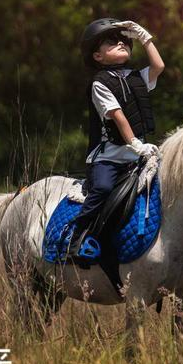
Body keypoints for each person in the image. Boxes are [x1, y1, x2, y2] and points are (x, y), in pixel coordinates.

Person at [67, 18, 165, 264]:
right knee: (102, 189)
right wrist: (135, 143)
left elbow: (159, 65)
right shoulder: (99, 84)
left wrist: (144, 37)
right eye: (111, 41)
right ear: (97, 56)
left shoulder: (135, 77)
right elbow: (118, 116)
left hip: (138, 156)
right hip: (109, 158)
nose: (121, 43)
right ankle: (78, 236)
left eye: (124, 41)